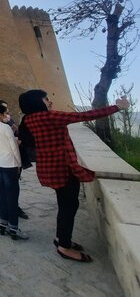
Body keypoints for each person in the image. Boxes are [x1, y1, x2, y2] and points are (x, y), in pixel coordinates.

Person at [19, 89, 129, 262]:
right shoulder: (49, 117)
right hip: (63, 169)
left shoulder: (28, 120)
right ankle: (64, 246)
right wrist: (117, 107)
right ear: (36, 102)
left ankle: (61, 238)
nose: (50, 101)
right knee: (68, 207)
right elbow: (84, 116)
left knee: (65, 205)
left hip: (49, 168)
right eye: (46, 99)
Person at [0, 103, 28, 240]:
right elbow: (14, 148)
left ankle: (3, 224)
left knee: (3, 194)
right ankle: (14, 228)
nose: (8, 115)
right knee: (12, 197)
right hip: (9, 164)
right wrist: (19, 164)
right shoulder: (6, 127)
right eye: (6, 112)